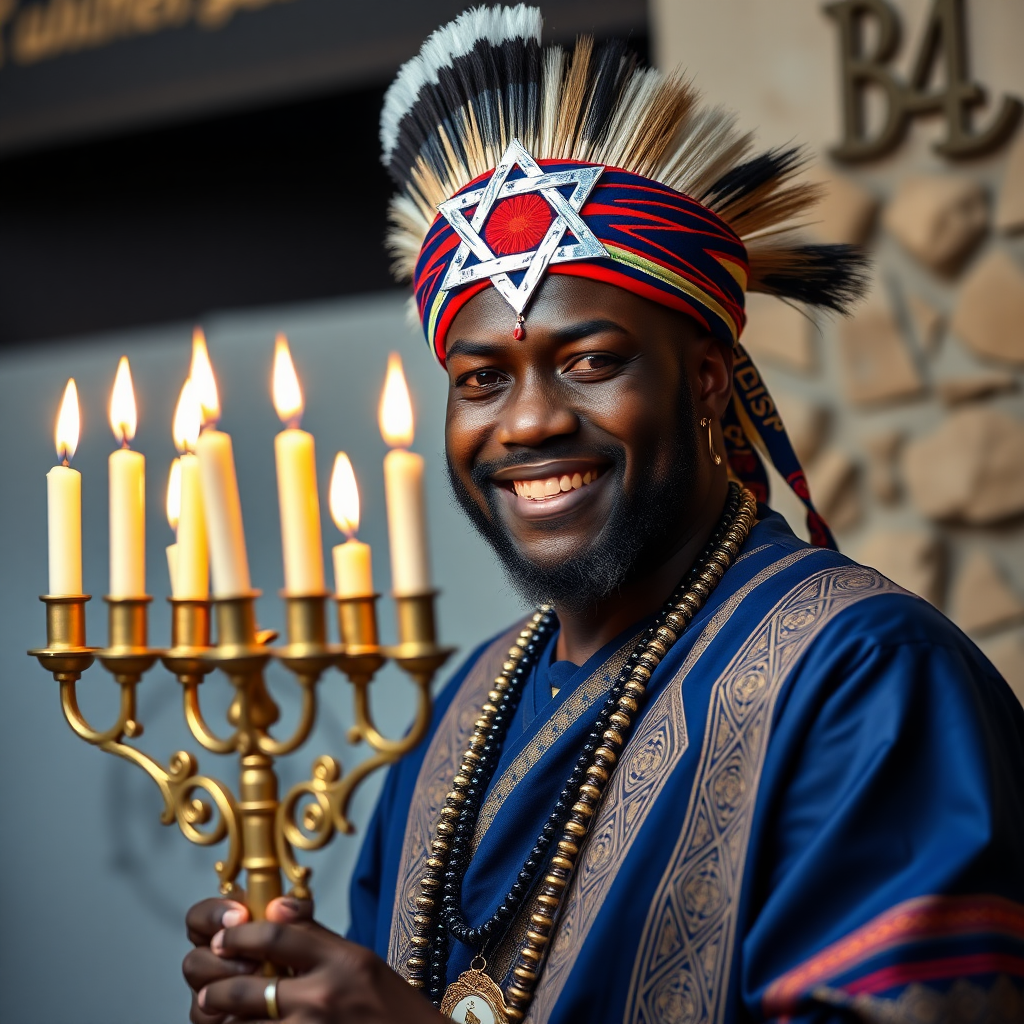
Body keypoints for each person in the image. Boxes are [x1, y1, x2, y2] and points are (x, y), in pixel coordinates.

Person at [182, 7, 1024, 1023]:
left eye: (589, 362)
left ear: (708, 379)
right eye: (482, 377)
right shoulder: (461, 710)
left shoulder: (866, 674)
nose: (529, 420)